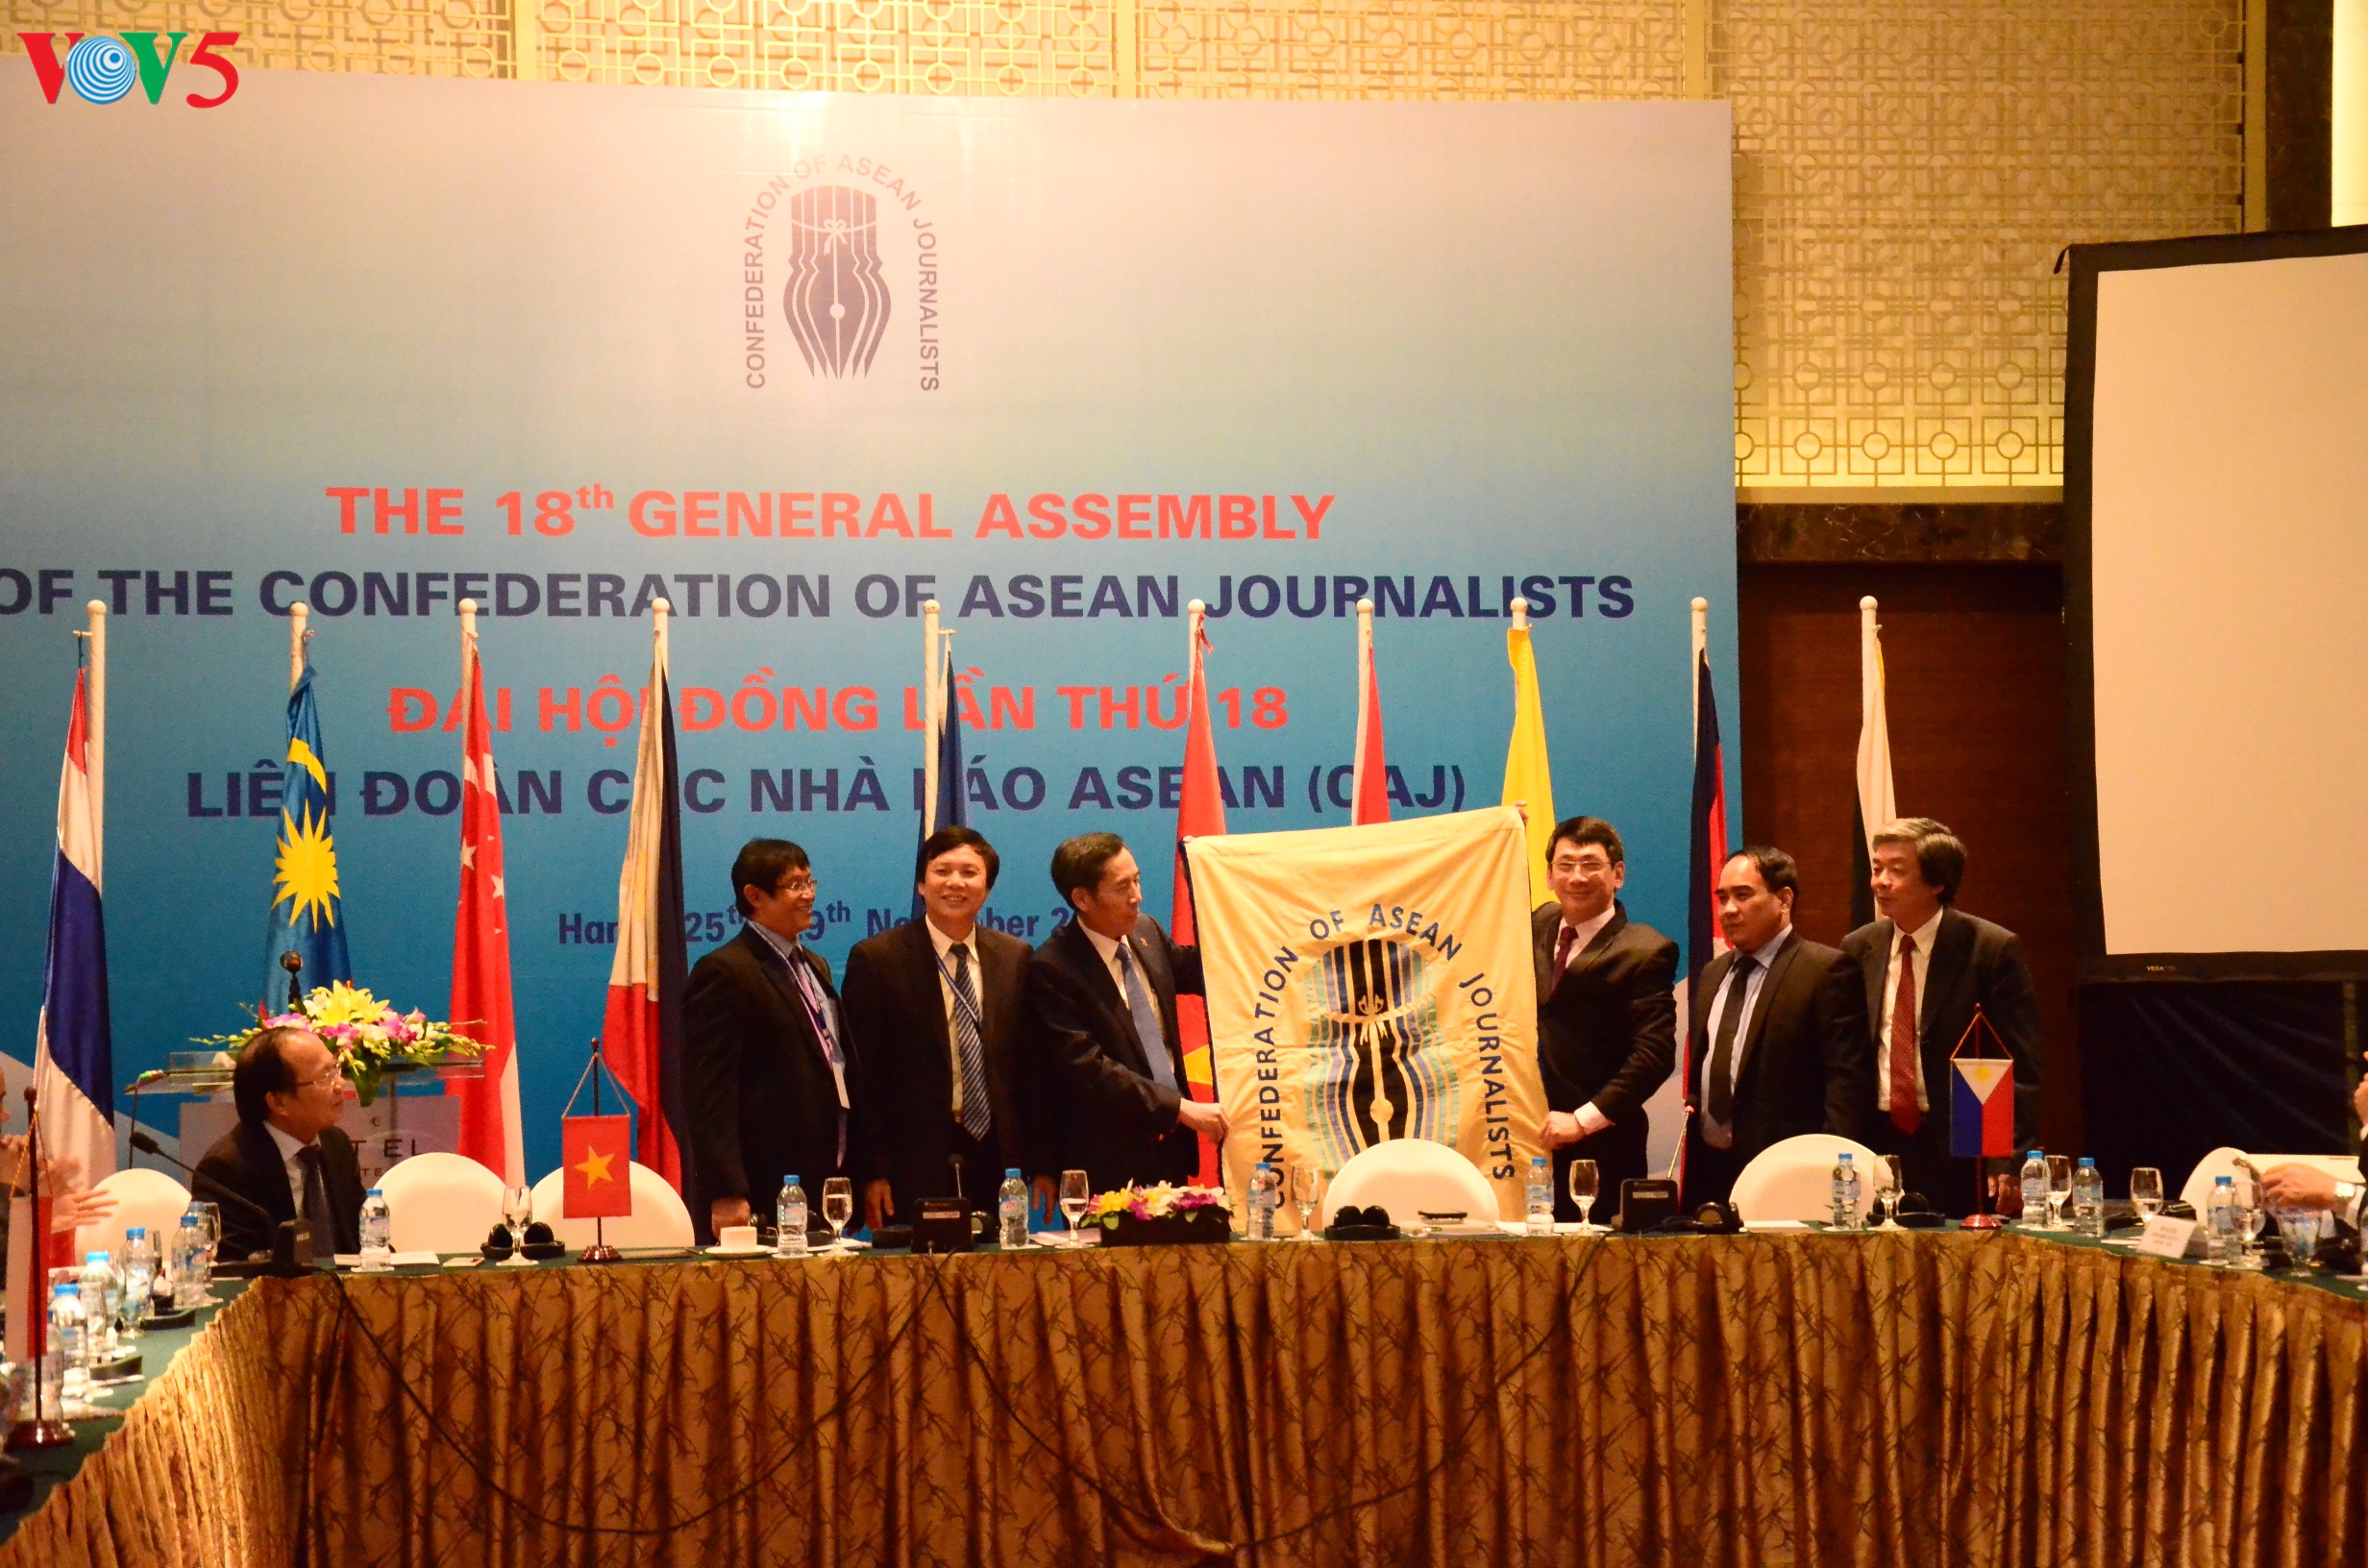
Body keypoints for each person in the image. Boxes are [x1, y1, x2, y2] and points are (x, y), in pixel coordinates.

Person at [846, 826, 1049, 1231]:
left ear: (987, 888)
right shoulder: (878, 959)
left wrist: (1043, 1163)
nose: (955, 882)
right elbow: (863, 1076)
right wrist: (873, 1171)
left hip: (998, 1157)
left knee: (1001, 1266)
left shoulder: (1015, 957)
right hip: (912, 1161)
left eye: (969, 873)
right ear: (921, 884)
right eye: (942, 871)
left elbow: (1032, 1069)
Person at [1840, 818, 2043, 1216]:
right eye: (1877, 868)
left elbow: (2020, 1063)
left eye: (1896, 871)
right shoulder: (1858, 948)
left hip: (1959, 1142)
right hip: (1876, 1140)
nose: (1880, 882)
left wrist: (2008, 1157)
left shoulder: (1989, 949)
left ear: (1937, 882)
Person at [1030, 833, 1230, 1193]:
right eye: (1123, 886)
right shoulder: (1053, 967)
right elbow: (1088, 1067)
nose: (1137, 895)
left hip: (1171, 1150)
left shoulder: (1146, 931)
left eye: (1137, 880)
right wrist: (1179, 1108)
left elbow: (1205, 971)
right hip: (1108, 1163)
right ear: (1082, 899)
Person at [682, 838, 855, 1243]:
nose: (809, 894)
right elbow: (709, 1091)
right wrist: (727, 1189)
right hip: (760, 1186)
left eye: (810, 882)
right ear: (754, 895)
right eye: (794, 885)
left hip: (820, 1173)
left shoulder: (814, 964)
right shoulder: (725, 971)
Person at [1682, 847, 1871, 1208]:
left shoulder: (1824, 970)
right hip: (1710, 1171)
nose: (1729, 909)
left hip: (1787, 1175)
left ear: (1784, 900)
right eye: (1722, 898)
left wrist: (1828, 1175)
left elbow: (1846, 1085)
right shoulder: (1713, 974)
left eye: (1743, 895)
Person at [1533, 817, 1678, 1220]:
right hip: (1530, 1141)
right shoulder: (1539, 923)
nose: (1577, 877)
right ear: (1549, 875)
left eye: (1590, 864)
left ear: (1618, 875)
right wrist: (1505, 834)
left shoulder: (1647, 950)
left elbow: (1654, 1056)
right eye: (1566, 865)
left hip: (1602, 1149)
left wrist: (1582, 1122)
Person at [191, 1024, 363, 1260]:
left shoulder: (336, 1144)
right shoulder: (226, 1170)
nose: (340, 1084)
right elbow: (237, 1266)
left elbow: (364, 1239)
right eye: (325, 1077)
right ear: (278, 1102)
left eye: (335, 1069)